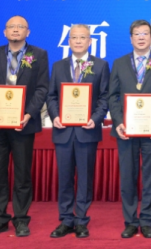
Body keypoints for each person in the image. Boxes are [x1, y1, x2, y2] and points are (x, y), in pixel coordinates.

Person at [0, 16, 50, 238]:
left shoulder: (39, 54)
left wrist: (28, 114)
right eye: (11, 27)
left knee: (22, 174)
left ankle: (21, 219)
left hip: (23, 125)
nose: (15, 30)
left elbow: (42, 88)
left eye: (20, 27)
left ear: (28, 32)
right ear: (4, 32)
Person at [109, 20, 151, 238]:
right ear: (131, 38)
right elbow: (112, 96)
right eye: (137, 33)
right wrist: (119, 122)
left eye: (145, 33)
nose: (141, 37)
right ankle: (130, 221)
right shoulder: (119, 63)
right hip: (125, 130)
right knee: (127, 176)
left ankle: (146, 221)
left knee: (150, 177)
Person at [46, 24, 110, 239]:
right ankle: (66, 219)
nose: (78, 41)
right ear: (69, 41)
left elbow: (104, 97)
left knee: (84, 178)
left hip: (87, 131)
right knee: (64, 178)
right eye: (74, 37)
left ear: (90, 41)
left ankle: (81, 220)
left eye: (83, 37)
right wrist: (55, 116)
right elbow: (51, 96)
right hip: (63, 130)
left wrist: (95, 119)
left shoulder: (100, 65)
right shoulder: (58, 66)